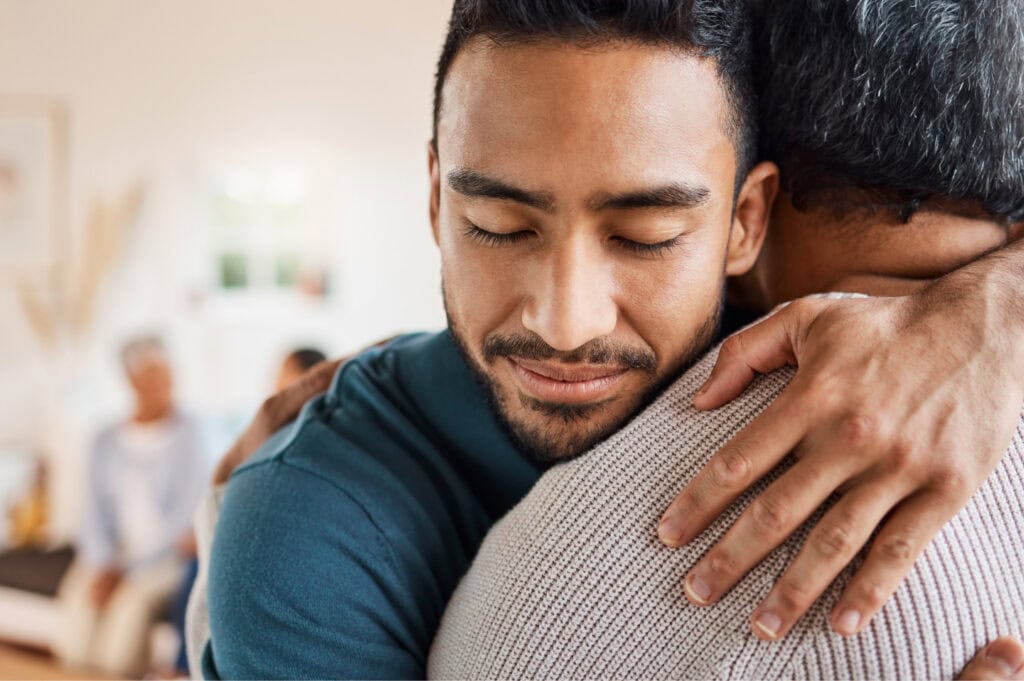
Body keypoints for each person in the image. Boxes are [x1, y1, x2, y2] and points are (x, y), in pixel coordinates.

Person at [196, 0, 1024, 678]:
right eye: (498, 226)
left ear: (746, 224)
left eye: (646, 236)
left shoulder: (800, 328)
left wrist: (986, 317)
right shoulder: (305, 531)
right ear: (437, 201)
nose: (566, 321)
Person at [55, 336, 208, 677]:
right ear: (131, 380)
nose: (165, 385)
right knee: (79, 606)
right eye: (154, 376)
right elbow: (91, 512)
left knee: (129, 610)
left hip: (161, 558)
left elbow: (182, 517)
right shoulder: (104, 438)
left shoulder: (190, 434)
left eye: (168, 375)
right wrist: (102, 563)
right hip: (108, 557)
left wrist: (125, 568)